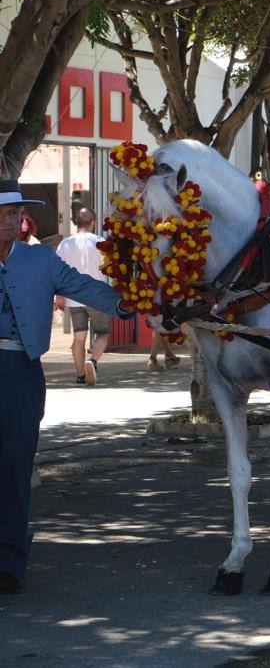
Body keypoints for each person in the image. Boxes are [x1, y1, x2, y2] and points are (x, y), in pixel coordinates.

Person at [0, 179, 131, 595]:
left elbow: (83, 287)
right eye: (3, 213)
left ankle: (9, 562)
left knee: (16, 466)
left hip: (21, 369)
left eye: (14, 213)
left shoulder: (41, 258)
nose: (12, 219)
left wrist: (130, 302)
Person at [55, 207, 109, 385]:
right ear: (92, 222)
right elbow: (109, 268)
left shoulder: (65, 244)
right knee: (102, 333)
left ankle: (79, 376)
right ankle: (92, 361)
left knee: (79, 337)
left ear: (75, 222)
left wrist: (58, 296)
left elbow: (57, 272)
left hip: (73, 297)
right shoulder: (100, 242)